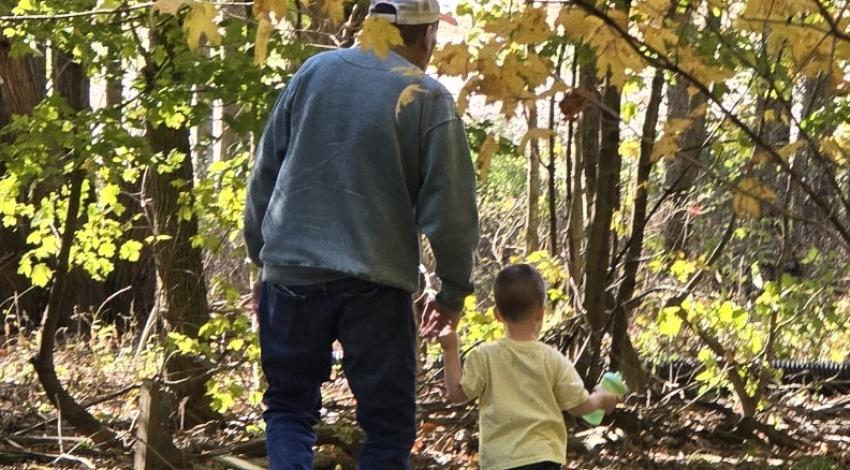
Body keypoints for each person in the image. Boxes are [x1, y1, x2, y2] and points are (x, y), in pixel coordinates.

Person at [242, 0, 479, 467]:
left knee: (288, 412)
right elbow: (451, 210)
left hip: (292, 273)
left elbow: (265, 173)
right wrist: (451, 291)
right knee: (388, 428)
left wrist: (262, 260)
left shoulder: (314, 73)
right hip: (376, 282)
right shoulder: (427, 96)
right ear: (427, 35)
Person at [438, 264, 620, 470]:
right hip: (543, 456)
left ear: (497, 314)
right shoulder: (553, 359)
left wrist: (450, 350)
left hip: (500, 460)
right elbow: (578, 406)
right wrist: (602, 399)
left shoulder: (484, 356)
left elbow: (457, 394)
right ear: (541, 313)